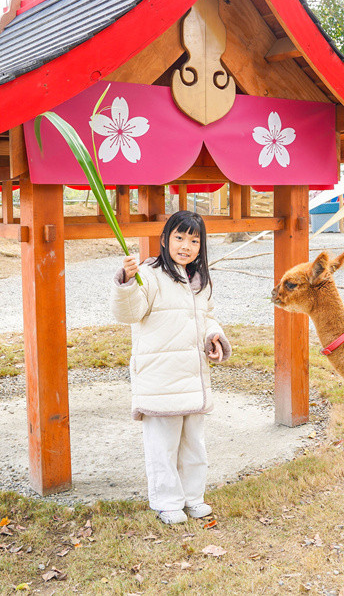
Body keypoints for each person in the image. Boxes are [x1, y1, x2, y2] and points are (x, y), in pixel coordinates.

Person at [110, 210, 231, 525]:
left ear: (201, 246)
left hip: (192, 377)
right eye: (179, 237)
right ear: (165, 240)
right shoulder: (149, 274)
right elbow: (130, 311)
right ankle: (167, 501)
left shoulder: (200, 280)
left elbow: (206, 316)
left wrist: (213, 337)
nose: (186, 245)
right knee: (163, 446)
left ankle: (193, 497)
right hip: (161, 378)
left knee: (194, 444)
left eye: (194, 240)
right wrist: (126, 281)